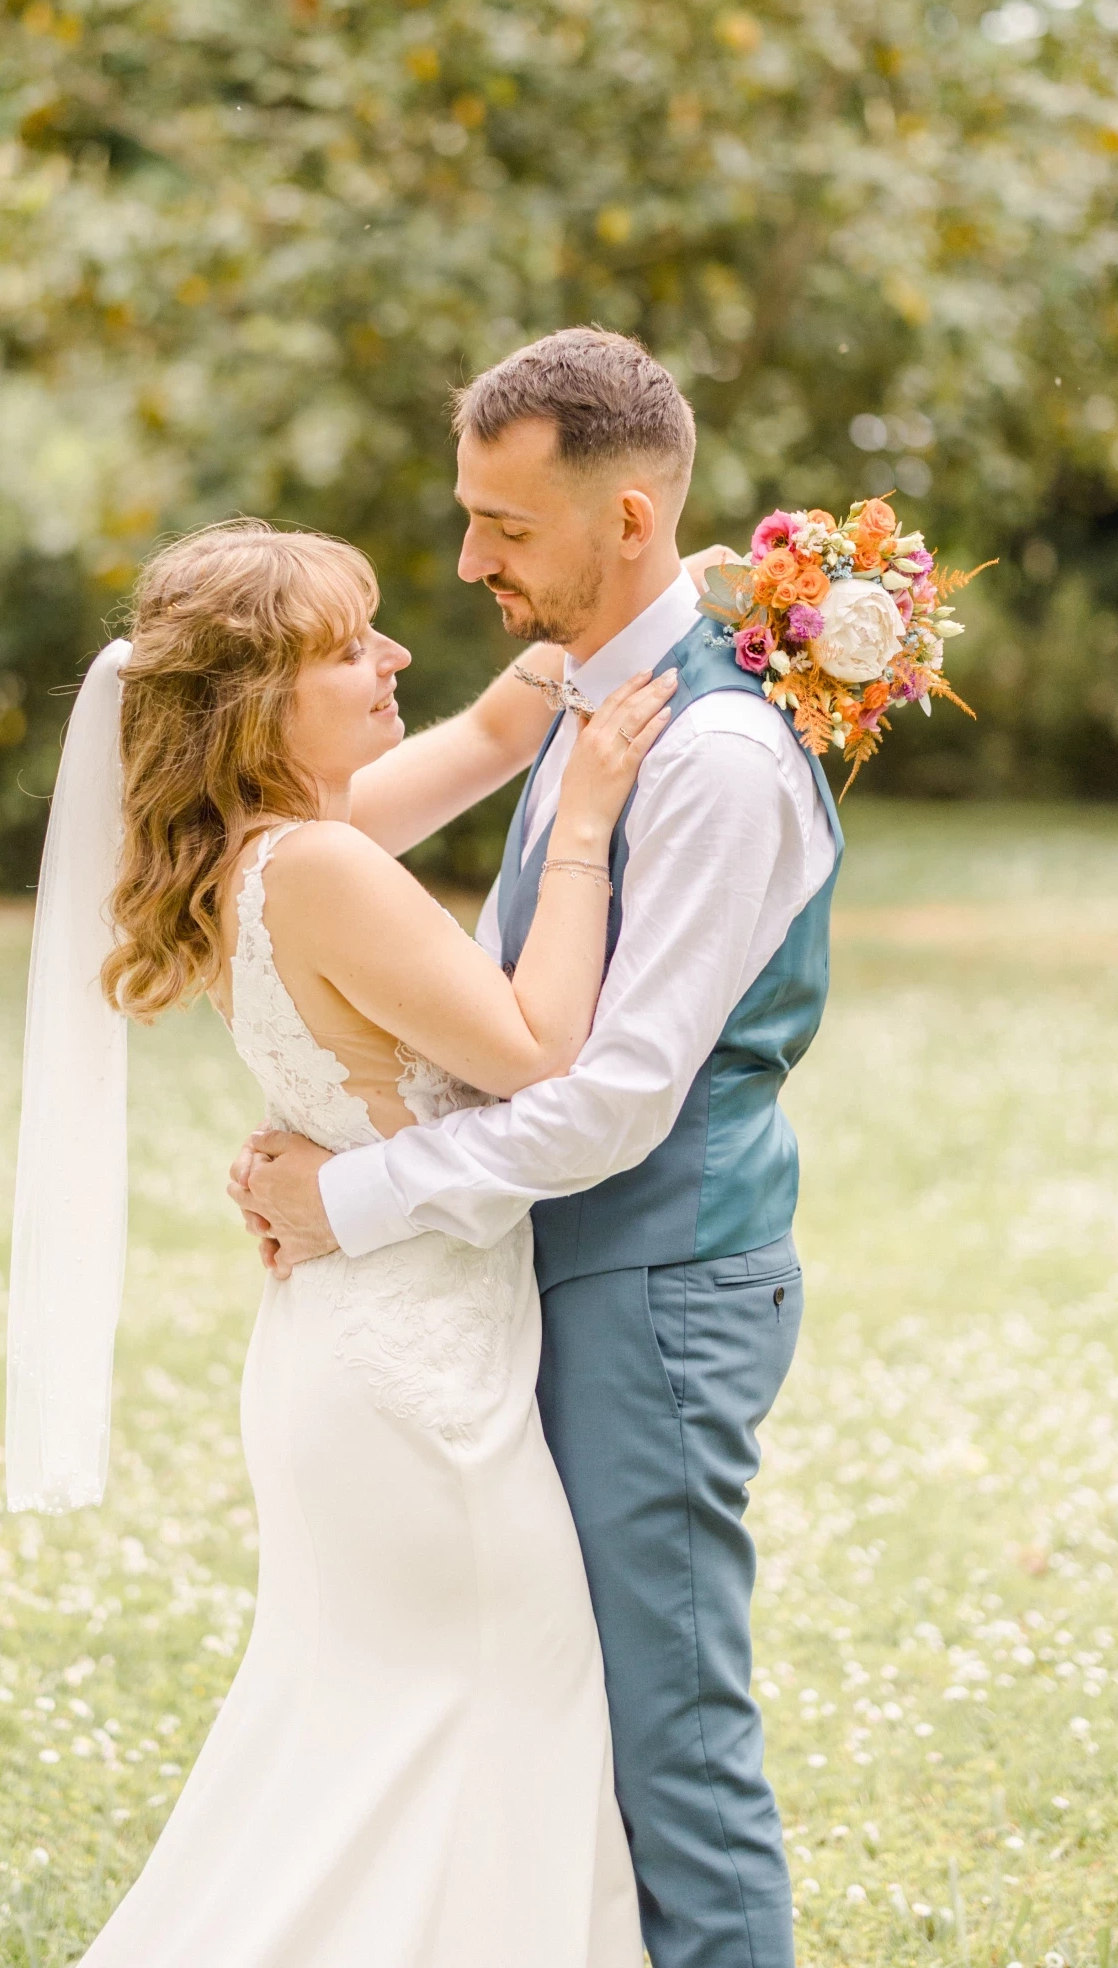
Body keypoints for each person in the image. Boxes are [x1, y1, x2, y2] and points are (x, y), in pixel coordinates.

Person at [237, 327, 843, 1968]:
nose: (465, 561)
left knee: (668, 1737)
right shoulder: (597, 701)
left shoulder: (709, 758)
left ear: (627, 521)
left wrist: (351, 1198)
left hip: (654, 1283)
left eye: (504, 528)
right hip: (554, 1275)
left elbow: (609, 1100)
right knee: (555, 1725)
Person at [6, 517, 680, 1968]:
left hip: (358, 1355)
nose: (392, 658)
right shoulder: (321, 861)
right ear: (259, 701)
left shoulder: (271, 844)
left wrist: (646, 604)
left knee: (376, 1737)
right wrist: (583, 829)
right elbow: (535, 1049)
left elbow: (494, 725)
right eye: (346, 648)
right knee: (502, 1703)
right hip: (410, 1388)